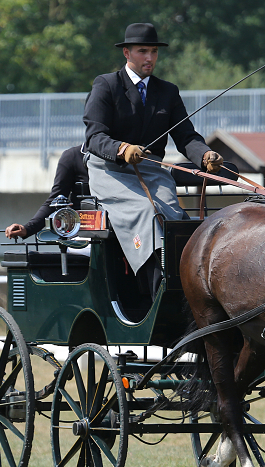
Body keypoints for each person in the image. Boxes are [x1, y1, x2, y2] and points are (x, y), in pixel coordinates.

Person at [83, 22, 222, 294]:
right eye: (142, 51)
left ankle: (189, 289)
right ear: (127, 53)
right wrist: (123, 149)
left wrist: (205, 155)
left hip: (151, 171)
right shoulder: (106, 85)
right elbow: (94, 137)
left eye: (154, 52)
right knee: (148, 214)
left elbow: (186, 137)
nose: (149, 58)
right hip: (111, 171)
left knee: (175, 220)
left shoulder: (168, 91)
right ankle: (156, 293)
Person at [4, 145, 89, 239]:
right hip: (82, 238)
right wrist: (27, 228)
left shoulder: (108, 157)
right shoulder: (72, 156)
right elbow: (55, 200)